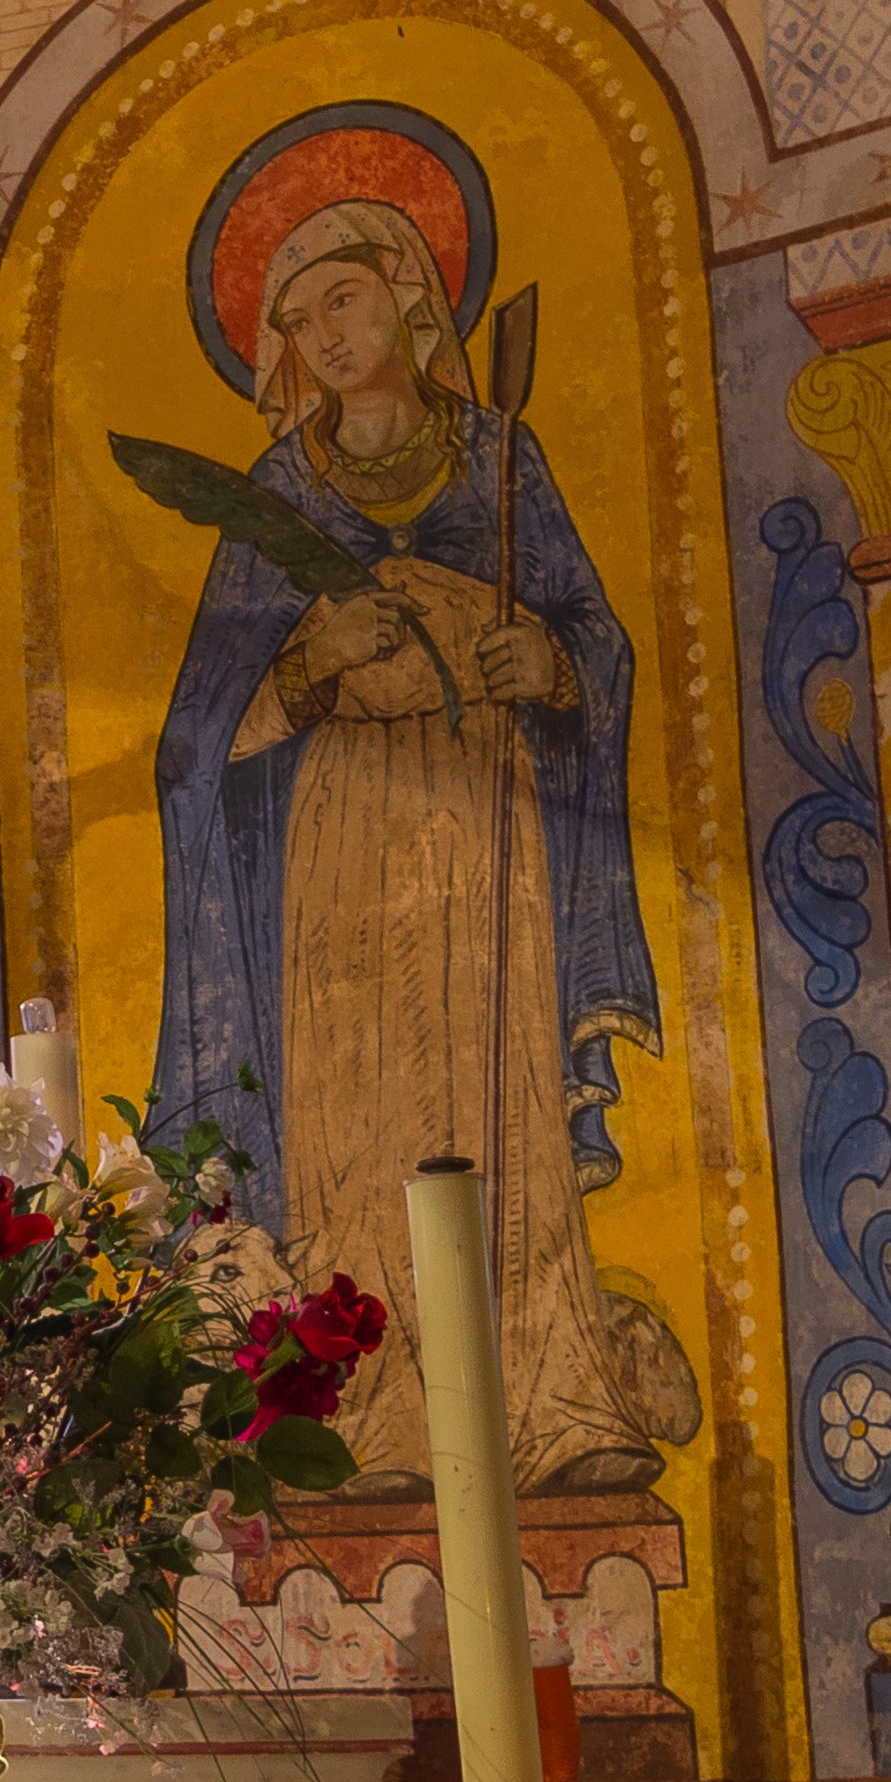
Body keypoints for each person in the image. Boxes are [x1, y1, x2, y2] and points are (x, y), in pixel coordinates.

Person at [142, 138, 688, 1492]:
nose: (325, 335)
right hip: (336, 849)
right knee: (353, 1117)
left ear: (407, 294)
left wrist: (543, 661)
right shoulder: (279, 496)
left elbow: (597, 645)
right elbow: (196, 740)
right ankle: (368, 1408)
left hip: (486, 826)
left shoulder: (502, 460)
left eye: (343, 298)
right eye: (297, 320)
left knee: (496, 1103)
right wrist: (310, 664)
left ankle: (549, 1401)